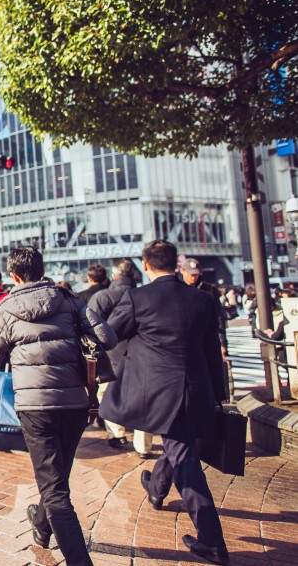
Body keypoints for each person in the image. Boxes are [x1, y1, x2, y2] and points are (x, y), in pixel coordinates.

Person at [0, 246, 117, 566]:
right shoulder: (67, 300)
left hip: (35, 406)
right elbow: (107, 338)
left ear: (13, 276)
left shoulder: (7, 307)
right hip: (74, 403)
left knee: (56, 490)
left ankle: (80, 560)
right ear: (41, 270)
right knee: (57, 474)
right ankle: (41, 524)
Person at [102, 240, 229, 565]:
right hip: (197, 388)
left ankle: (212, 540)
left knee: (184, 458)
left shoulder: (138, 298)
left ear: (146, 265)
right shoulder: (202, 299)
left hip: (159, 393)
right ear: (176, 263)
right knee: (179, 444)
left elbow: (109, 335)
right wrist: (220, 394)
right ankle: (157, 487)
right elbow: (212, 350)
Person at [88, 259, 153, 455]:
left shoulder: (103, 297)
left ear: (114, 275)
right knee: (143, 399)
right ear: (134, 275)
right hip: (143, 355)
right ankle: (143, 446)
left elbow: (91, 328)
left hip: (111, 356)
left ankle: (117, 433)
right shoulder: (147, 295)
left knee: (107, 395)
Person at [180, 257, 228, 356]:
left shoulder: (209, 290)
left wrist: (222, 342)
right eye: (191, 275)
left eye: (196, 274)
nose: (193, 278)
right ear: (182, 271)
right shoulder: (176, 289)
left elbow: (218, 317)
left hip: (206, 338)